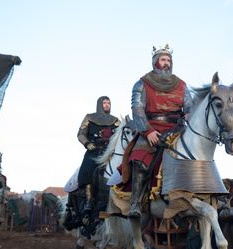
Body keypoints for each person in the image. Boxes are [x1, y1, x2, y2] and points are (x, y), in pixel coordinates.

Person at [127, 44, 193, 218]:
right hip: (152, 128)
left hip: (177, 129)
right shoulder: (142, 83)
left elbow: (189, 107)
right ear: (155, 62)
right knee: (140, 158)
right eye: (163, 59)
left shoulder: (181, 84)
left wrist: (188, 117)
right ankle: (135, 202)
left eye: (169, 60)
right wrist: (147, 131)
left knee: (196, 152)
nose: (166, 63)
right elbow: (137, 109)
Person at [77, 96, 120, 215]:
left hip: (110, 151)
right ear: (99, 104)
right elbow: (81, 134)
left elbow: (121, 134)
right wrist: (87, 143)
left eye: (108, 103)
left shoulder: (115, 120)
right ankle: (89, 200)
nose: (107, 105)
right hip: (94, 149)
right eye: (104, 103)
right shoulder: (90, 117)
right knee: (88, 168)